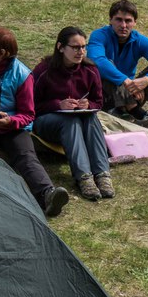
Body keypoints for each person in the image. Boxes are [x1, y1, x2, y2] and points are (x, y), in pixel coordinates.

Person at [0, 27, 70, 218]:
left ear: (1, 53)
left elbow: (28, 114)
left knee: (26, 157)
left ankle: (48, 195)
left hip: (12, 129)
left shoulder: (23, 75)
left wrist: (10, 121)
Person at [33, 26, 113, 202]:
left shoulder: (90, 70)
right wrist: (57, 105)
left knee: (91, 117)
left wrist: (88, 104)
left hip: (80, 119)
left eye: (84, 47)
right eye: (76, 47)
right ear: (61, 47)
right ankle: (83, 177)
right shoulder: (44, 70)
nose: (81, 52)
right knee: (69, 121)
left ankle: (102, 174)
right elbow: (30, 105)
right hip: (46, 122)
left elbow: (98, 102)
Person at [86, 0, 148, 133]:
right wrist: (125, 81)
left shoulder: (139, 40)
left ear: (134, 22)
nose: (123, 25)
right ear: (110, 20)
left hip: (131, 92)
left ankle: (121, 111)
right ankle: (139, 114)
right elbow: (97, 60)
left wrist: (145, 81)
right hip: (102, 92)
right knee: (106, 66)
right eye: (118, 20)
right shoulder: (99, 35)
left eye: (128, 21)